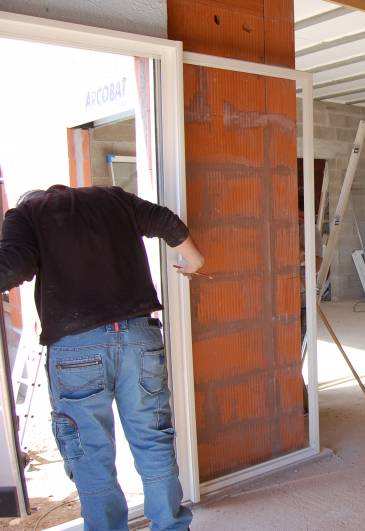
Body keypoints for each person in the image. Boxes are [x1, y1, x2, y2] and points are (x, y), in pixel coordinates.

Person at [0, 184, 203, 530]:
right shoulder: (112, 198)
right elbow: (165, 221)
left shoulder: (25, 215)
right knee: (153, 441)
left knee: (90, 454)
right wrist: (195, 259)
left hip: (77, 346)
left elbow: (13, 266)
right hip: (139, 336)